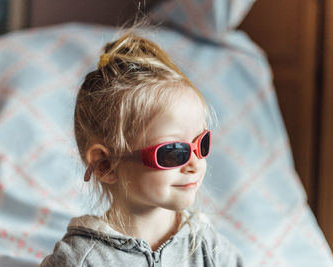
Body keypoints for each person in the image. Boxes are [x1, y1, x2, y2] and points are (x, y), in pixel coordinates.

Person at [41, 28, 244, 266]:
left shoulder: (209, 249)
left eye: (202, 143)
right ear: (105, 165)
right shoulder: (80, 260)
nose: (195, 164)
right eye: (174, 151)